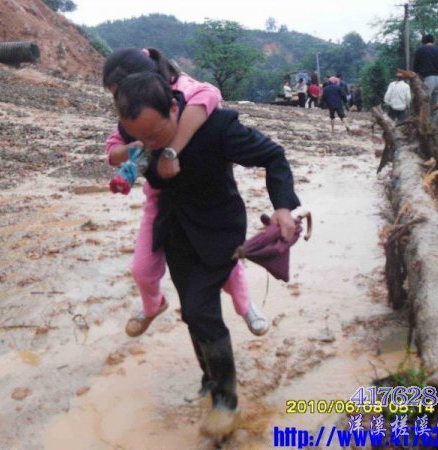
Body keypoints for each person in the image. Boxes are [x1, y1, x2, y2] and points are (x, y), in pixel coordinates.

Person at [114, 72, 301, 439]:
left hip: (219, 229)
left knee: (200, 309)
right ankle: (210, 378)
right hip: (175, 230)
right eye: (140, 138)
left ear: (173, 108)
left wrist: (283, 207)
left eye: (155, 136)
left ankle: (226, 402)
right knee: (192, 312)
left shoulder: (218, 128)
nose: (148, 145)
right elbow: (121, 151)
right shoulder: (138, 132)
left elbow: (273, 156)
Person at [102, 48, 269, 337]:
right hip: (162, 196)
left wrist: (170, 151)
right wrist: (133, 149)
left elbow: (210, 94)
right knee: (143, 268)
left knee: (223, 258)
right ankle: (153, 305)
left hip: (207, 191)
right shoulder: (132, 114)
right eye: (117, 97)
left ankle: (245, 306)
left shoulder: (182, 92)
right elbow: (112, 150)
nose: (124, 101)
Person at [413, 34, 438, 110]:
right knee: (436, 106)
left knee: (424, 105)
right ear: (434, 41)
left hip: (428, 80)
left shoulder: (420, 51)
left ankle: (425, 118)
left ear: (423, 42)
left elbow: (415, 68)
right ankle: (436, 118)